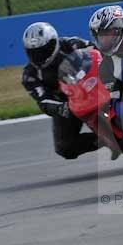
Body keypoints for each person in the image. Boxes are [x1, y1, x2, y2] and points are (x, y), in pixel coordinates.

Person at [21, 22, 102, 160]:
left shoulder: (72, 44)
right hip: (68, 104)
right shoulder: (30, 76)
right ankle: (105, 140)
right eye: (34, 53)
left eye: (43, 50)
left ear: (54, 43)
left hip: (95, 85)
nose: (39, 56)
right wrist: (63, 108)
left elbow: (100, 52)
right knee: (65, 147)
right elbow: (44, 101)